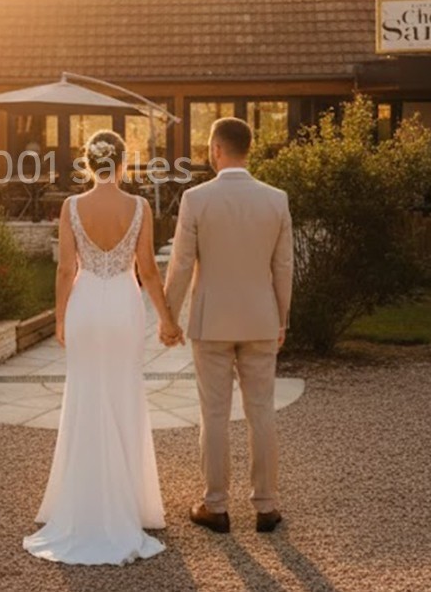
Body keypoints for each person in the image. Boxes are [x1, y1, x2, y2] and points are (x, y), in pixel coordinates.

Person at [23, 130, 184, 565]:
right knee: (124, 395)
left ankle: (84, 502)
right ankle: (130, 505)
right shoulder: (141, 206)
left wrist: (59, 318)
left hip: (86, 305)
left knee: (85, 396)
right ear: (123, 162)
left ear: (88, 163)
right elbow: (148, 271)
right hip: (124, 307)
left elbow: (64, 270)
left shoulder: (72, 207)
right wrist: (167, 319)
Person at [164, 116, 294, 536]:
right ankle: (267, 506)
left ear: (216, 149)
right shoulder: (276, 199)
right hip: (260, 319)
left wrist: (168, 316)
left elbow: (181, 263)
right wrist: (282, 318)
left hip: (211, 321)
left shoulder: (196, 199)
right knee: (262, 412)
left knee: (214, 414)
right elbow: (284, 266)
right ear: (248, 149)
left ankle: (215, 505)